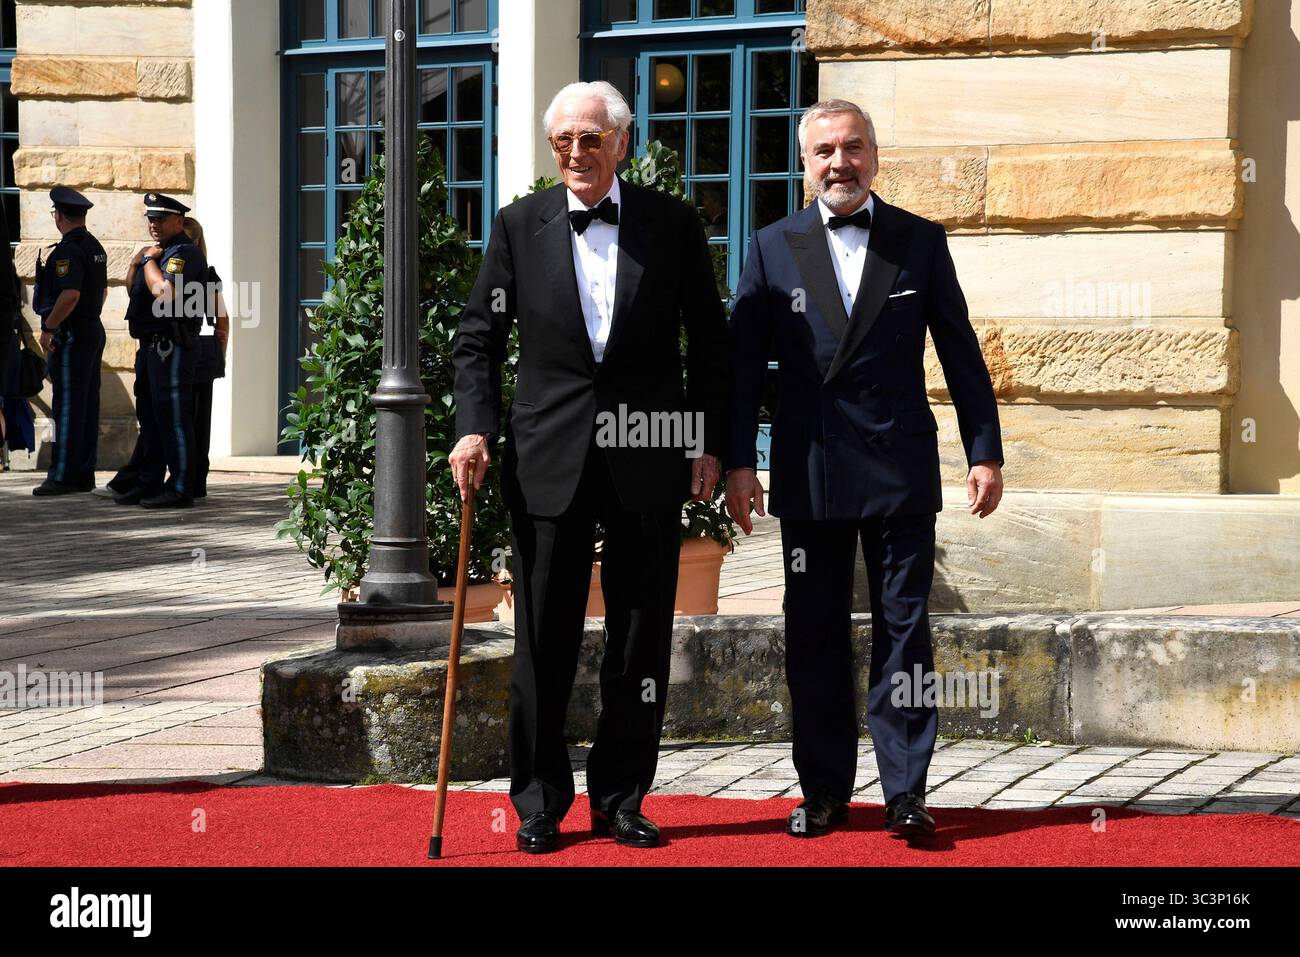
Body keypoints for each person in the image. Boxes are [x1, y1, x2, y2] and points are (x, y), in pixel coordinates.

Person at [450, 81, 729, 854]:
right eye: (562, 141)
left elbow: (709, 342)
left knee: (640, 638)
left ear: (622, 143)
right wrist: (473, 427)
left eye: (591, 139)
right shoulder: (517, 226)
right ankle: (539, 802)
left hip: (649, 450)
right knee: (544, 638)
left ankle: (623, 797)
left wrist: (707, 441)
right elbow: (478, 338)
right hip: (547, 456)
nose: (576, 152)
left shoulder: (672, 225)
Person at [724, 99, 1005, 841]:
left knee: (905, 631)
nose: (839, 162)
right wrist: (735, 464)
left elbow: (959, 349)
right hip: (810, 468)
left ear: (875, 157)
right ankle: (822, 792)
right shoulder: (771, 246)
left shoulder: (919, 240)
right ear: (805, 162)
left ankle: (907, 792)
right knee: (812, 632)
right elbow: (744, 366)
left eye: (852, 148)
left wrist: (985, 449)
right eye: (824, 151)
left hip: (899, 465)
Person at [117, 192, 208, 509]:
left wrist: (148, 260)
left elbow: (164, 292)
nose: (153, 224)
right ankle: (148, 483)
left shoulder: (183, 252)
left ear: (179, 220)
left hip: (172, 347)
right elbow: (134, 287)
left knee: (174, 419)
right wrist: (139, 260)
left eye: (160, 218)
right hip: (151, 347)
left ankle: (181, 487)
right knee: (152, 420)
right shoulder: (161, 252)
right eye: (150, 219)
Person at [31, 187, 108, 496]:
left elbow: (70, 294)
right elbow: (100, 292)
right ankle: (83, 474)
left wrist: (49, 327)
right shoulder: (94, 246)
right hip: (91, 329)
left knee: (67, 406)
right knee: (86, 405)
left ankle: (63, 475)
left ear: (59, 216)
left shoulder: (67, 250)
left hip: (71, 333)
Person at [182, 217, 229, 499]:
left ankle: (196, 478)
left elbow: (222, 319)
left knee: (198, 420)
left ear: (196, 243)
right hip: (187, 352)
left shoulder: (207, 276)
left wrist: (219, 355)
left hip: (197, 352)